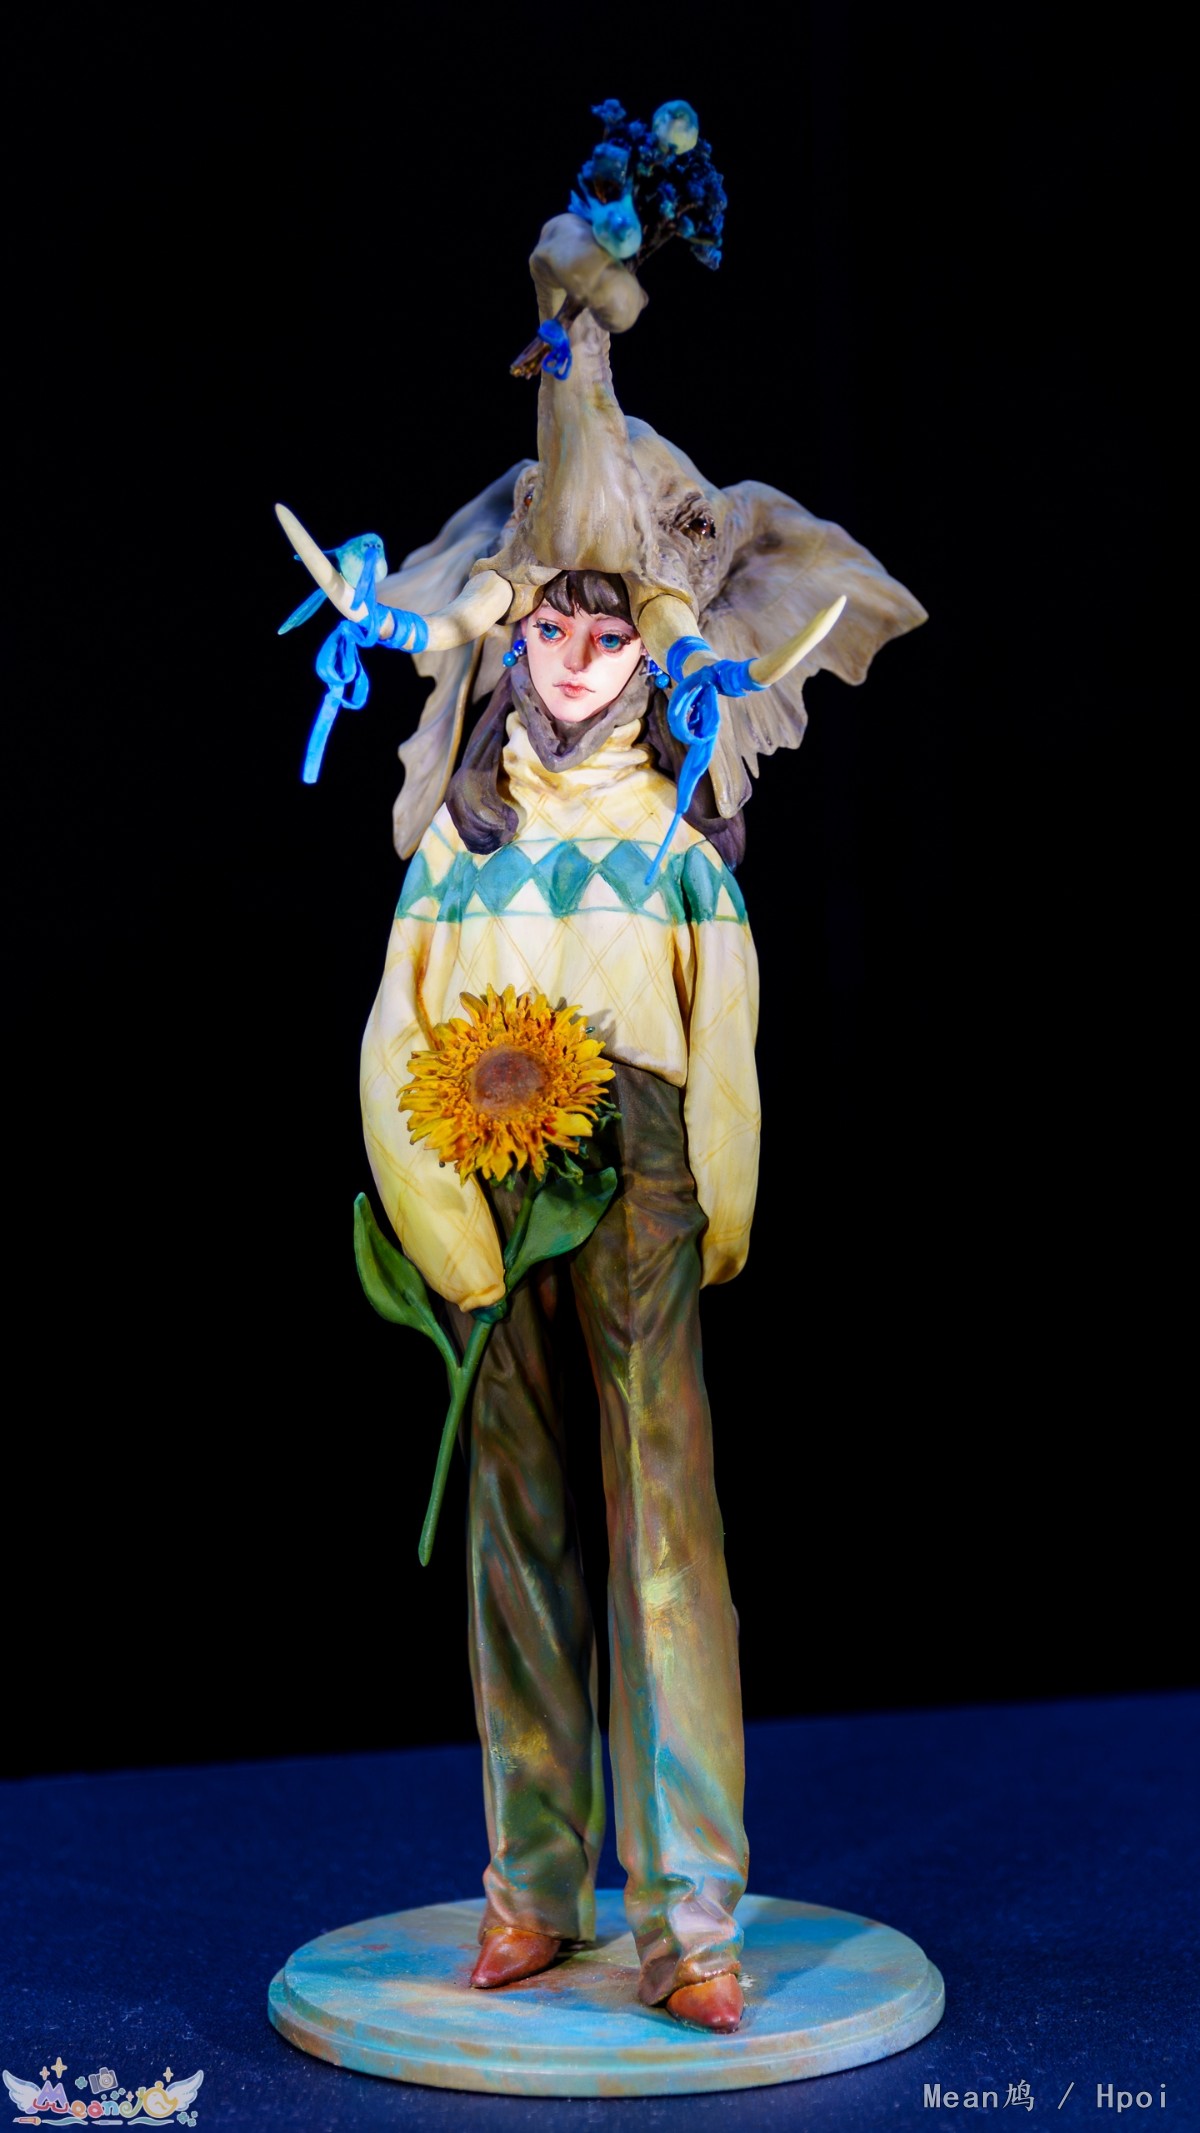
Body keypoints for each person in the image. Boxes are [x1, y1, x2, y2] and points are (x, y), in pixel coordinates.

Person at [360, 565, 759, 2032]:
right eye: (551, 631)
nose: (579, 662)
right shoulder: (460, 844)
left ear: (649, 659)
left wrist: (722, 1203)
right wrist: (444, 1224)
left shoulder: (673, 839)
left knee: (666, 1518)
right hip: (490, 1154)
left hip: (641, 1171)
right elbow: (395, 1026)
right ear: (514, 642)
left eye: (608, 637)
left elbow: (728, 1033)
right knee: (513, 1515)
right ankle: (531, 1887)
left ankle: (691, 1916)